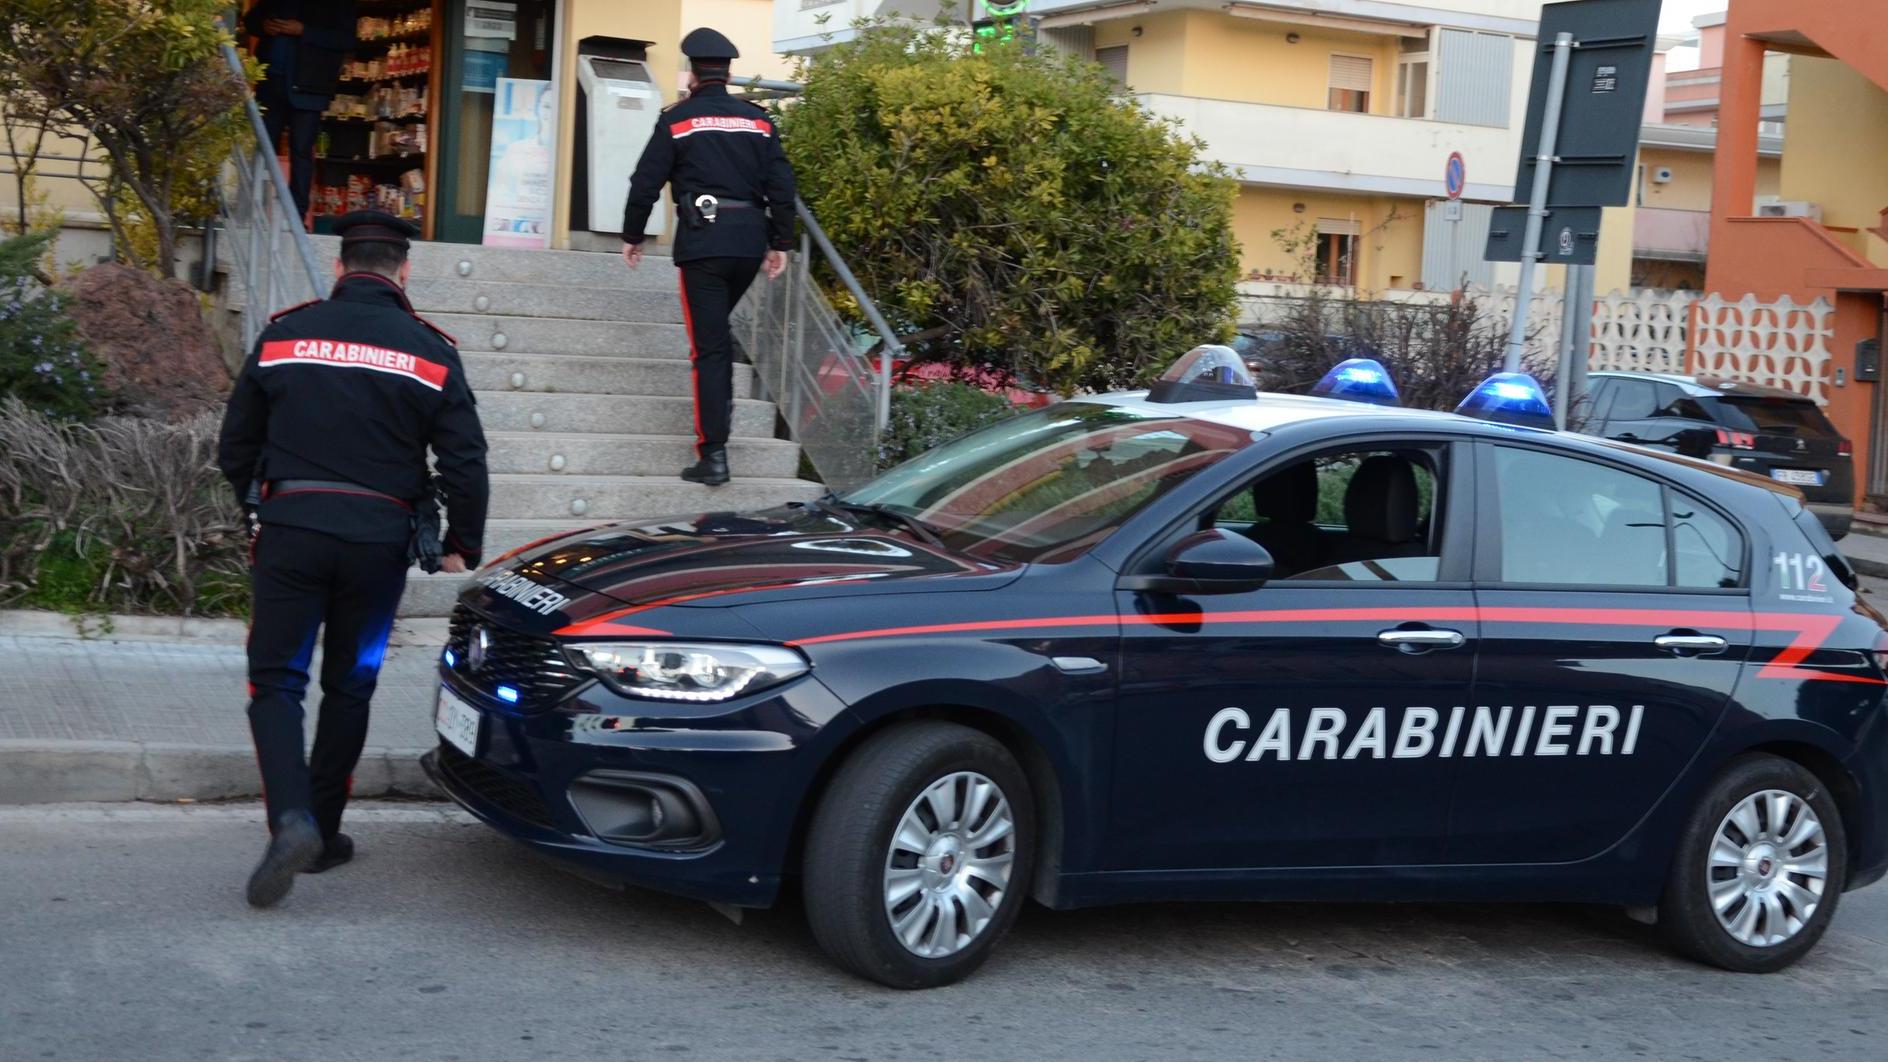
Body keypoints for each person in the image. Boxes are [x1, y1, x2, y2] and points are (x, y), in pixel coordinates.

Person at [217, 210, 488, 909]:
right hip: (376, 543)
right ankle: (325, 830)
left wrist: (257, 505)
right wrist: (463, 541)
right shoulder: (430, 350)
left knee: (275, 682)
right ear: (404, 271)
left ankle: (291, 821)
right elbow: (465, 458)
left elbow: (235, 442)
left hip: (292, 529)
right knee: (351, 684)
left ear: (339, 267)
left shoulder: (285, 334)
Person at [621, 27, 798, 486]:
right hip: (748, 244)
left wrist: (633, 235)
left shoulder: (678, 120)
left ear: (692, 74)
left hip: (704, 245)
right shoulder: (759, 121)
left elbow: (645, 182)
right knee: (716, 336)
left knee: (710, 348)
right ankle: (718, 429)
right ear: (729, 74)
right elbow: (782, 186)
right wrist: (781, 242)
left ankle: (713, 453)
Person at [245, 1, 358, 220]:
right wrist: (263, 25)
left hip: (309, 85)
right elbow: (251, 21)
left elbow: (346, 39)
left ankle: (295, 216)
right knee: (262, 149)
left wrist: (304, 30)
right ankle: (255, 211)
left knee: (301, 151)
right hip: (271, 83)